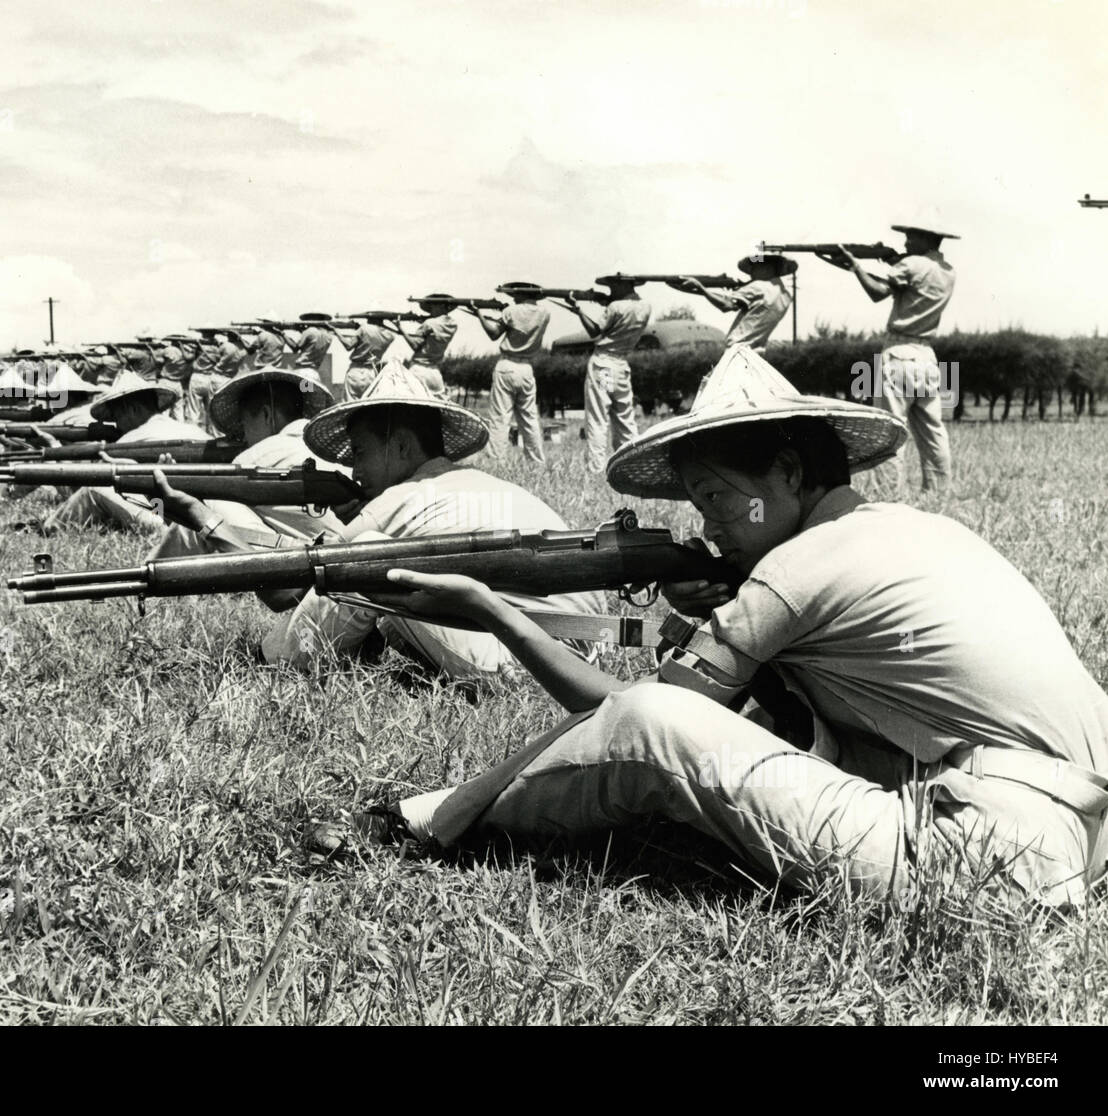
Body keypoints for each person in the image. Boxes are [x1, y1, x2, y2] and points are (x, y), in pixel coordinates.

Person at [309, 346, 1108, 910]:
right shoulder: (918, 530)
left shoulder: (798, 570)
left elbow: (626, 717)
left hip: (985, 858)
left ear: (788, 476)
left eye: (720, 498)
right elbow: (811, 717)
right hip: (1072, 838)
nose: (709, 524)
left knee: (656, 721)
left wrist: (494, 614)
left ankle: (421, 824)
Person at [260, 362, 608, 684]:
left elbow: (311, 575)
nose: (356, 472)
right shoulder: (467, 483)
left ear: (400, 447)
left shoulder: (407, 495)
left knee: (363, 561)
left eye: (361, 452)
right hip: (586, 649)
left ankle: (276, 661)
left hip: (532, 661)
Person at [146, 368, 348, 562]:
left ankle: (150, 574)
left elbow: (200, 519)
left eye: (245, 423)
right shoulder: (330, 448)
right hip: (347, 549)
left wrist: (168, 504)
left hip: (318, 558)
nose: (243, 436)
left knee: (210, 507)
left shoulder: (264, 453)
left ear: (267, 415)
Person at [820, 222, 958, 492]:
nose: (905, 243)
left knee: (890, 429)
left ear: (924, 237)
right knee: (933, 430)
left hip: (899, 354)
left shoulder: (911, 265)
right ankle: (939, 492)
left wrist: (856, 266)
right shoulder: (948, 272)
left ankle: (889, 495)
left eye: (910, 237)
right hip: (927, 356)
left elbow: (877, 292)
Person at [41, 372, 206, 532]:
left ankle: (50, 528)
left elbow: (82, 488)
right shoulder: (193, 430)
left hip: (173, 524)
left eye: (117, 416)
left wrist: (53, 446)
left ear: (132, 409)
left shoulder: (132, 439)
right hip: (207, 518)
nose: (116, 425)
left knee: (93, 490)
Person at [565, 274, 651, 474]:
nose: (611, 290)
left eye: (613, 285)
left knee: (598, 417)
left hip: (604, 364)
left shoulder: (614, 307)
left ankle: (596, 467)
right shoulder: (645, 307)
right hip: (621, 366)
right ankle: (632, 465)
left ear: (622, 284)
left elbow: (595, 331)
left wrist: (578, 310)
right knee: (625, 418)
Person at [468, 283, 551, 466]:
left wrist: (479, 315)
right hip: (527, 369)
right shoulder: (545, 313)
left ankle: (495, 461)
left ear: (521, 293)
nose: (512, 297)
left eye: (515, 293)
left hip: (507, 365)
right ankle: (536, 462)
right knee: (529, 419)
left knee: (500, 418)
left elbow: (493, 334)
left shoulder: (511, 311)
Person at [665, 255, 795, 352]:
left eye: (755, 267)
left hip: (738, 351)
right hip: (757, 352)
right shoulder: (785, 295)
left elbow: (726, 305)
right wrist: (702, 290)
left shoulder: (757, 287)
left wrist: (701, 288)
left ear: (767, 268)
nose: (751, 273)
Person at [394, 294, 459, 399]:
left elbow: (415, 345)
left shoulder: (429, 323)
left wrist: (400, 328)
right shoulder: (453, 324)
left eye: (433, 306)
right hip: (435, 373)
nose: (430, 310)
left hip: (419, 371)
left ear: (441, 306)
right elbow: (437, 329)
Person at [333, 314, 395, 401]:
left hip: (356, 371)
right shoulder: (389, 335)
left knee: (349, 403)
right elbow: (373, 335)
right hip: (372, 373)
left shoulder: (364, 328)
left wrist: (336, 332)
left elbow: (349, 345)